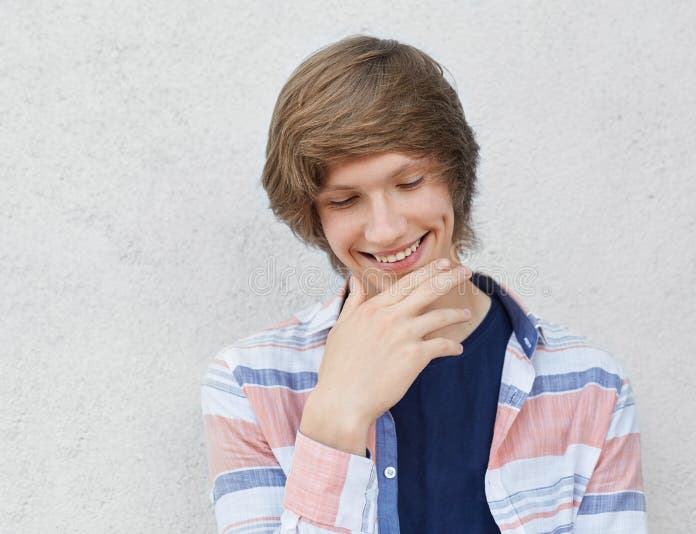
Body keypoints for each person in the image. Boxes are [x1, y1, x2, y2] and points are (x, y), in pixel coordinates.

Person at [201, 35, 647, 533]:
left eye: (409, 183)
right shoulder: (249, 382)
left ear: (454, 176)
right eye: (345, 200)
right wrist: (337, 416)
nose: (386, 229)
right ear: (315, 216)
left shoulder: (591, 385)